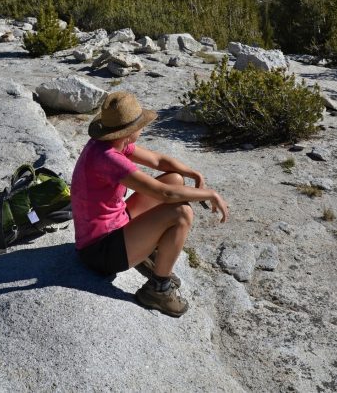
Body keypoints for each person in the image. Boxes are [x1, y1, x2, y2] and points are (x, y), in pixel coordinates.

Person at [71, 91, 228, 317]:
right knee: (182, 213)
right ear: (129, 130)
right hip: (100, 252)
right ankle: (158, 289)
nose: (142, 128)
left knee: (174, 177)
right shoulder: (107, 158)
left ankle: (147, 254)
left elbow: (158, 161)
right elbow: (163, 193)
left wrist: (192, 172)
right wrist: (209, 194)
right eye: (140, 124)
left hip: (113, 226)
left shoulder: (111, 142)